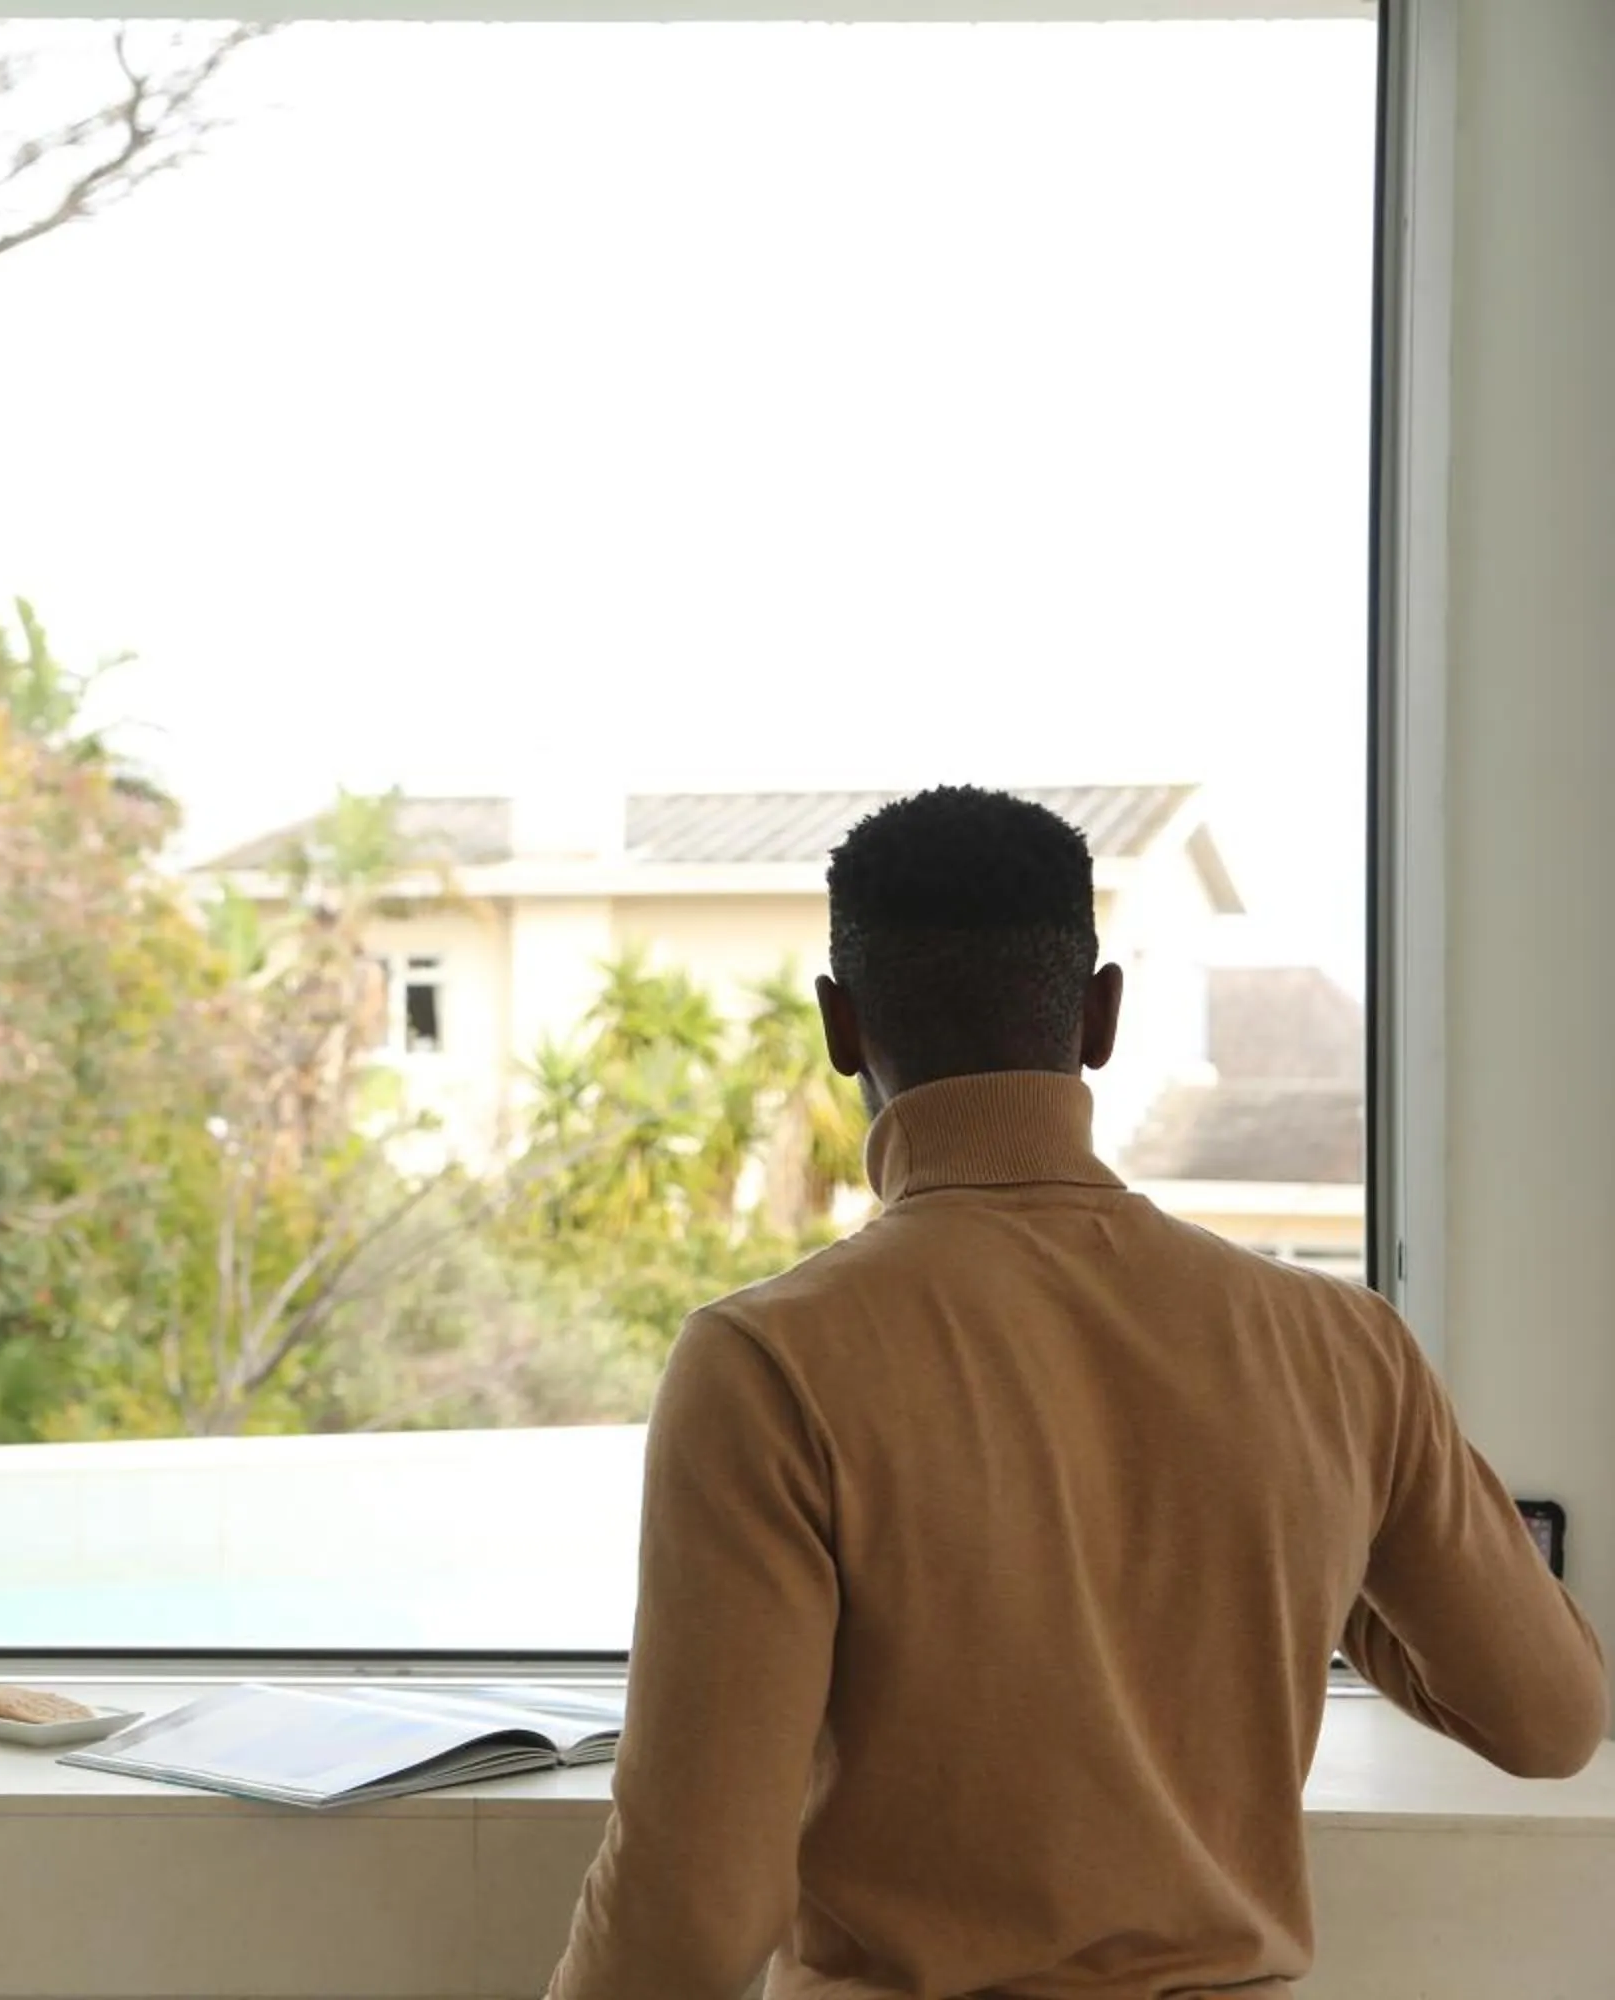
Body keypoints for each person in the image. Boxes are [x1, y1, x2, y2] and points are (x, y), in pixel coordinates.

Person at [547, 786, 1606, 2000]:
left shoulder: (768, 1361)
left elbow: (691, 1922)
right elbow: (1551, 1719)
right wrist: (1317, 1539)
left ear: (839, 1026)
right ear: (1100, 1015)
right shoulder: (1338, 1345)